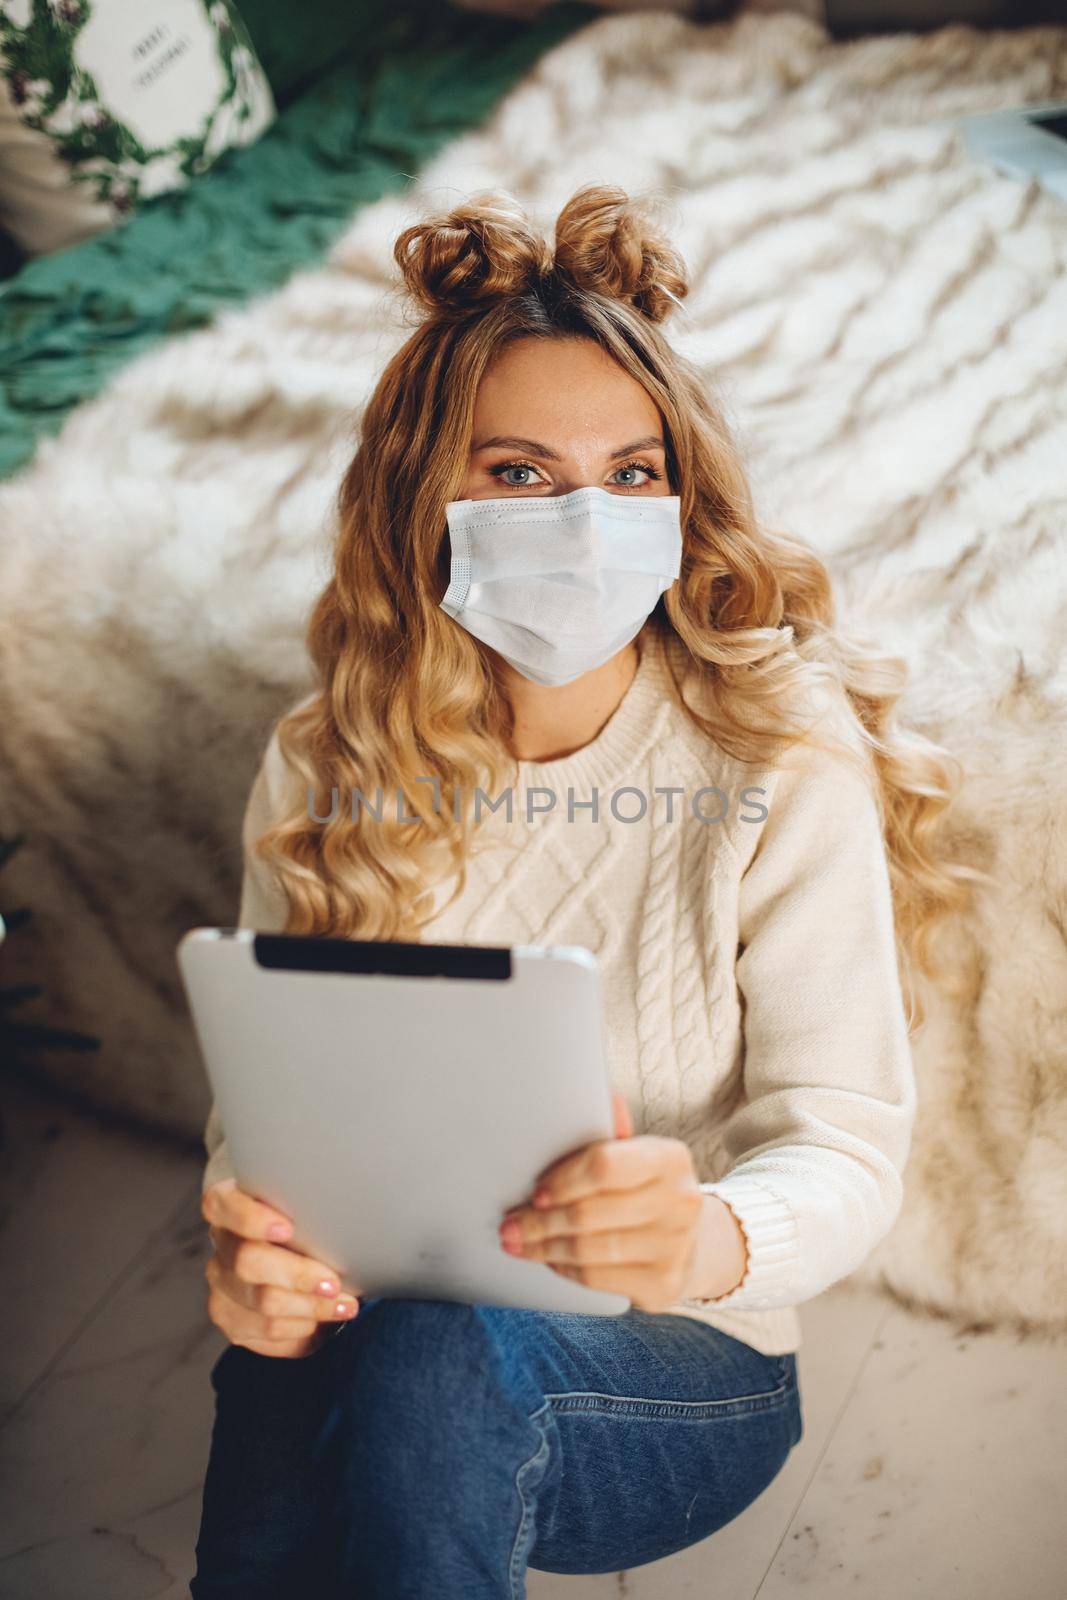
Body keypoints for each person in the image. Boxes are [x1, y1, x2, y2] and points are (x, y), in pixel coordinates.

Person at [190, 182, 977, 1596]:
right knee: (302, 1364)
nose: (588, 519)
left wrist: (707, 1230)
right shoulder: (327, 761)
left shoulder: (773, 754)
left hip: (685, 1369)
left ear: (683, 494)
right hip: (400, 1316)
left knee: (422, 1354)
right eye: (517, 472)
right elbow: (269, 1098)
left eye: (631, 473)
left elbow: (849, 1139)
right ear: (423, 495)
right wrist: (254, 1248)